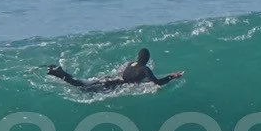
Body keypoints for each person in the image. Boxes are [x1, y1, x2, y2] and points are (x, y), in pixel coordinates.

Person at [47, 47, 181, 90]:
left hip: (110, 78)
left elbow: (122, 72)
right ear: (146, 59)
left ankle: (58, 72)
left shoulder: (131, 64)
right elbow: (157, 82)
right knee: (82, 87)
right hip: (114, 84)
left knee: (84, 83)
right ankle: (58, 73)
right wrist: (172, 76)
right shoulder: (145, 70)